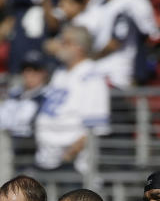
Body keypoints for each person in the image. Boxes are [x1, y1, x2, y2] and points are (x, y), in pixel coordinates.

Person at [34, 25, 110, 174]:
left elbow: (94, 128)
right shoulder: (60, 73)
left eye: (65, 42)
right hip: (45, 159)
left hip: (70, 165)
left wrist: (68, 156)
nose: (60, 46)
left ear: (79, 47)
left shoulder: (91, 76)